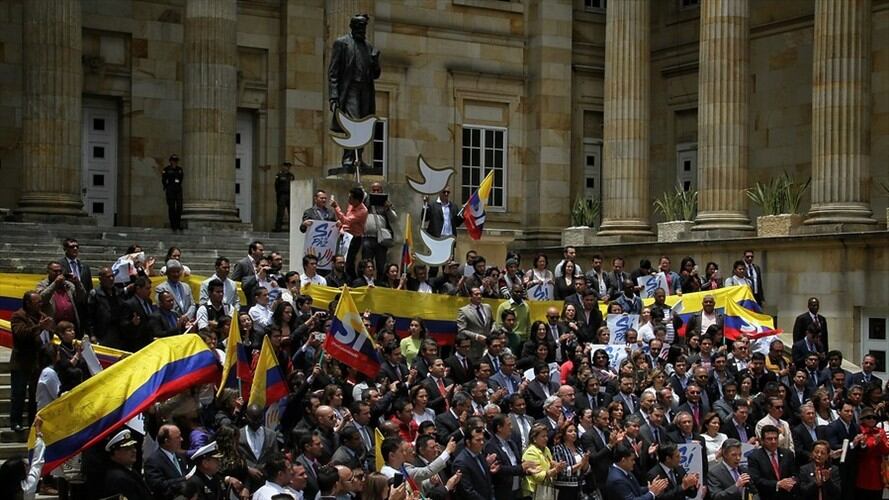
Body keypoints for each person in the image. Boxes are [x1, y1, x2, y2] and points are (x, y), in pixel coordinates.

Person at [328, 14, 381, 171]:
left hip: (365, 89)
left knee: (364, 124)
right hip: (350, 88)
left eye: (363, 27)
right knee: (354, 121)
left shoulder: (369, 47)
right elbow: (333, 72)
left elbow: (376, 74)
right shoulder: (342, 43)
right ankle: (349, 158)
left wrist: (375, 61)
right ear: (352, 27)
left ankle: (359, 158)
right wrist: (334, 95)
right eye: (359, 26)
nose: (362, 30)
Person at [10, 291, 51, 432]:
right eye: (37, 302)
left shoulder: (42, 316)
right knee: (19, 393)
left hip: (37, 361)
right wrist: (39, 327)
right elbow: (21, 334)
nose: (41, 304)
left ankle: (33, 421)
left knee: (35, 394)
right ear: (28, 303)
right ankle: (16, 421)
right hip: (21, 361)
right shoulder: (18, 316)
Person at [747, 424, 798, 500]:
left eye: (775, 438)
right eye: (769, 439)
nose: (773, 441)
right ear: (762, 440)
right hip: (767, 496)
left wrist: (791, 481)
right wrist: (777, 484)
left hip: (787, 495)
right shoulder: (754, 457)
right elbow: (756, 480)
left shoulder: (787, 454)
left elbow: (795, 474)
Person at [603, 442, 668, 500]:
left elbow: (636, 489)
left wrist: (650, 487)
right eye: (632, 460)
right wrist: (652, 493)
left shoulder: (624, 470)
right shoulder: (617, 480)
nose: (634, 462)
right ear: (623, 461)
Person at [103, 429, 153, 500]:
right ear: (116, 452)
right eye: (128, 448)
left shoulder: (128, 470)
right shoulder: (119, 478)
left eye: (133, 447)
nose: (134, 451)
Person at [144, 424, 189, 500]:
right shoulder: (153, 461)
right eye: (177, 437)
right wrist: (184, 479)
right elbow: (158, 485)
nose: (181, 439)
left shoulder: (180, 455)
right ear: (167, 441)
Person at [332, 186, 368, 281]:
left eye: (351, 198)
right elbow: (346, 218)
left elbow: (347, 220)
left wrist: (336, 207)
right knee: (340, 258)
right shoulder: (351, 205)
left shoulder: (362, 211)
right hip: (345, 235)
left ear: (357, 200)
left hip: (354, 238)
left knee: (349, 261)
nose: (349, 200)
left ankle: (352, 280)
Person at [852, 407, 889, 500]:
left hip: (878, 469)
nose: (872, 419)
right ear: (863, 419)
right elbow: (861, 451)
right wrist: (874, 443)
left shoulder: (880, 431)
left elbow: (886, 450)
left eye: (874, 417)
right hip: (864, 469)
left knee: (877, 494)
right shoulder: (859, 430)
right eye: (868, 417)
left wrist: (879, 442)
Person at [363, 182, 397, 278]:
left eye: (378, 190)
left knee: (381, 264)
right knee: (366, 263)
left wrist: (388, 208)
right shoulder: (366, 203)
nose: (376, 192)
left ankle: (381, 283)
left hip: (381, 240)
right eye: (374, 190)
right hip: (367, 238)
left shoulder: (386, 204)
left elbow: (394, 219)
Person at [522, 424, 565, 498]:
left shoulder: (546, 449)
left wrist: (557, 466)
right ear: (534, 438)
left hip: (547, 490)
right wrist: (555, 470)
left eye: (546, 436)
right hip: (534, 493)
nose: (546, 439)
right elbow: (538, 476)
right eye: (543, 436)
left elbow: (550, 466)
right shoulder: (531, 452)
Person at [552, 421, 590, 500]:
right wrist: (581, 463)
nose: (574, 433)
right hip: (565, 489)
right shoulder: (558, 449)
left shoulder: (579, 448)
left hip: (580, 487)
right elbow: (564, 471)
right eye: (570, 431)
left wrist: (586, 461)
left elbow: (586, 470)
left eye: (575, 431)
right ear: (564, 434)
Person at [456, 287, 494, 362]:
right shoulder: (463, 311)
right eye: (476, 294)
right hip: (474, 348)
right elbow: (461, 330)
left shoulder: (487, 307)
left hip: (488, 347)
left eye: (480, 294)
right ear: (470, 297)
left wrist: (492, 332)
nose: (479, 296)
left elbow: (493, 322)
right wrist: (477, 337)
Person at [162, 153, 184, 230]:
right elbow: (164, 179)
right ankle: (173, 224)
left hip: (177, 190)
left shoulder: (179, 170)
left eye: (176, 160)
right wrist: (167, 186)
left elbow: (181, 179)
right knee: (171, 207)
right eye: (173, 160)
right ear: (170, 161)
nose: (174, 162)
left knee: (179, 207)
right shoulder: (166, 169)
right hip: (170, 190)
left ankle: (178, 224)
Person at [273, 161, 295, 232]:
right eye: (286, 166)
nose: (287, 168)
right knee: (280, 212)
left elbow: (294, 185)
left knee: (291, 212)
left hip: (290, 195)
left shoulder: (291, 176)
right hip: (282, 195)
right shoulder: (279, 175)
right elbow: (276, 185)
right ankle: (278, 228)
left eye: (288, 167)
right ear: (283, 167)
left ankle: (291, 229)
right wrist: (279, 194)